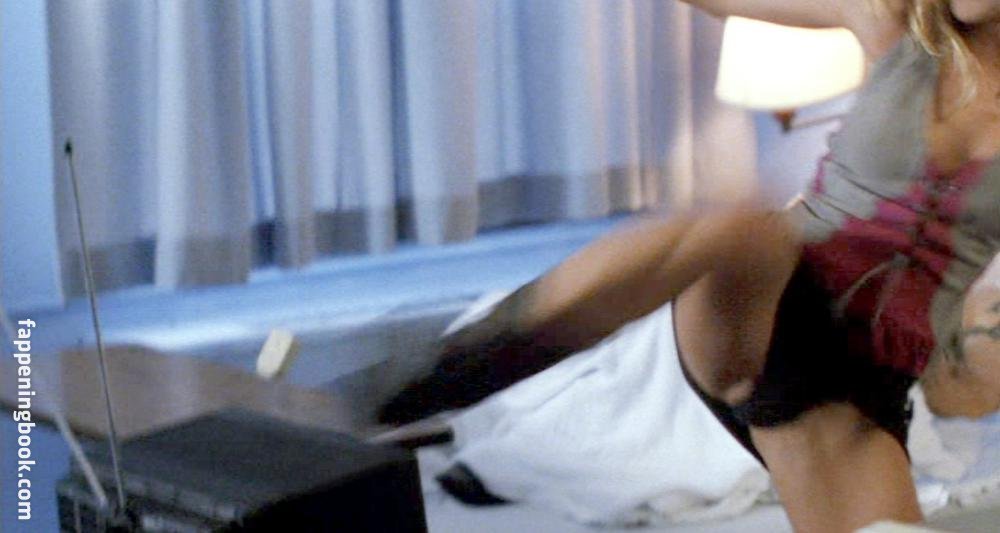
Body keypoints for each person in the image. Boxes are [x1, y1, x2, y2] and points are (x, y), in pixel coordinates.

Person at [378, 1, 1000, 531]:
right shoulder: (887, 17)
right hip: (772, 304)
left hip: (862, 381)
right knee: (742, 228)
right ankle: (430, 377)